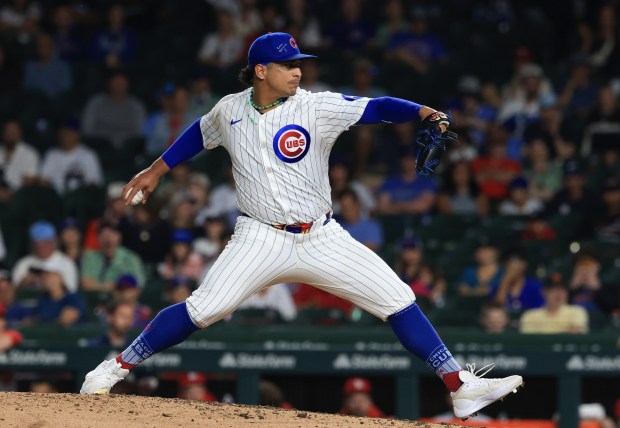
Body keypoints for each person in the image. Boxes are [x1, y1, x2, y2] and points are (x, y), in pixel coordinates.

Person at [80, 32, 523, 420]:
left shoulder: (317, 107)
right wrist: (157, 169)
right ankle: (113, 368)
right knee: (202, 310)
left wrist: (424, 112)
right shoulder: (229, 109)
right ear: (260, 70)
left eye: (299, 64)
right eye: (288, 65)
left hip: (321, 236)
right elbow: (200, 131)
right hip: (260, 235)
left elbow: (377, 107)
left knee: (398, 298)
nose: (297, 71)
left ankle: (458, 386)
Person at [81, 71, 147, 148]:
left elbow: (140, 131)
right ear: (109, 84)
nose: (118, 86)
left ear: (128, 85)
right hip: (100, 145)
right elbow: (87, 129)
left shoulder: (136, 105)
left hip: (127, 147)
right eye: (116, 83)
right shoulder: (96, 102)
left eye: (122, 84)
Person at [40, 119, 103, 195]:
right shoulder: (51, 154)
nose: (66, 136)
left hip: (79, 200)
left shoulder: (88, 155)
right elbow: (43, 181)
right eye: (63, 132)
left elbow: (93, 184)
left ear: (77, 134)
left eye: (70, 132)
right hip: (55, 199)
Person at [12, 221, 79, 293]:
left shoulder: (66, 263)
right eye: (38, 243)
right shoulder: (23, 263)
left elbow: (71, 292)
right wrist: (24, 283)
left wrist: (53, 283)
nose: (42, 247)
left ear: (54, 242)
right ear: (32, 245)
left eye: (46, 242)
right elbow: (11, 292)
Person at [80, 221, 145, 292]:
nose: (108, 240)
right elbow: (85, 284)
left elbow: (138, 285)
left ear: (119, 237)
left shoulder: (131, 258)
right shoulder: (90, 258)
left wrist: (96, 285)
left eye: (112, 236)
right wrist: (109, 286)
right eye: (104, 236)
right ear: (98, 238)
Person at [519, 273, 588, 334]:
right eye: (553, 290)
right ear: (544, 292)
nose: (558, 294)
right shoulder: (530, 316)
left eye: (562, 289)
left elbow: (575, 334)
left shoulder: (577, 312)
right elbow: (531, 342)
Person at [22, 32, 72, 97]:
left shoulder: (63, 67)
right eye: (40, 46)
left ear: (52, 47)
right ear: (36, 48)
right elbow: (26, 88)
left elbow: (65, 89)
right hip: (33, 102)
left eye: (46, 45)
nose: (43, 49)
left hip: (53, 102)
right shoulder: (30, 66)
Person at [0, 119, 40, 195]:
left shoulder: (30, 154)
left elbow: (29, 182)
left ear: (20, 133)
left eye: (13, 131)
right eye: (7, 131)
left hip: (19, 195)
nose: (10, 134)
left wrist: (10, 193)